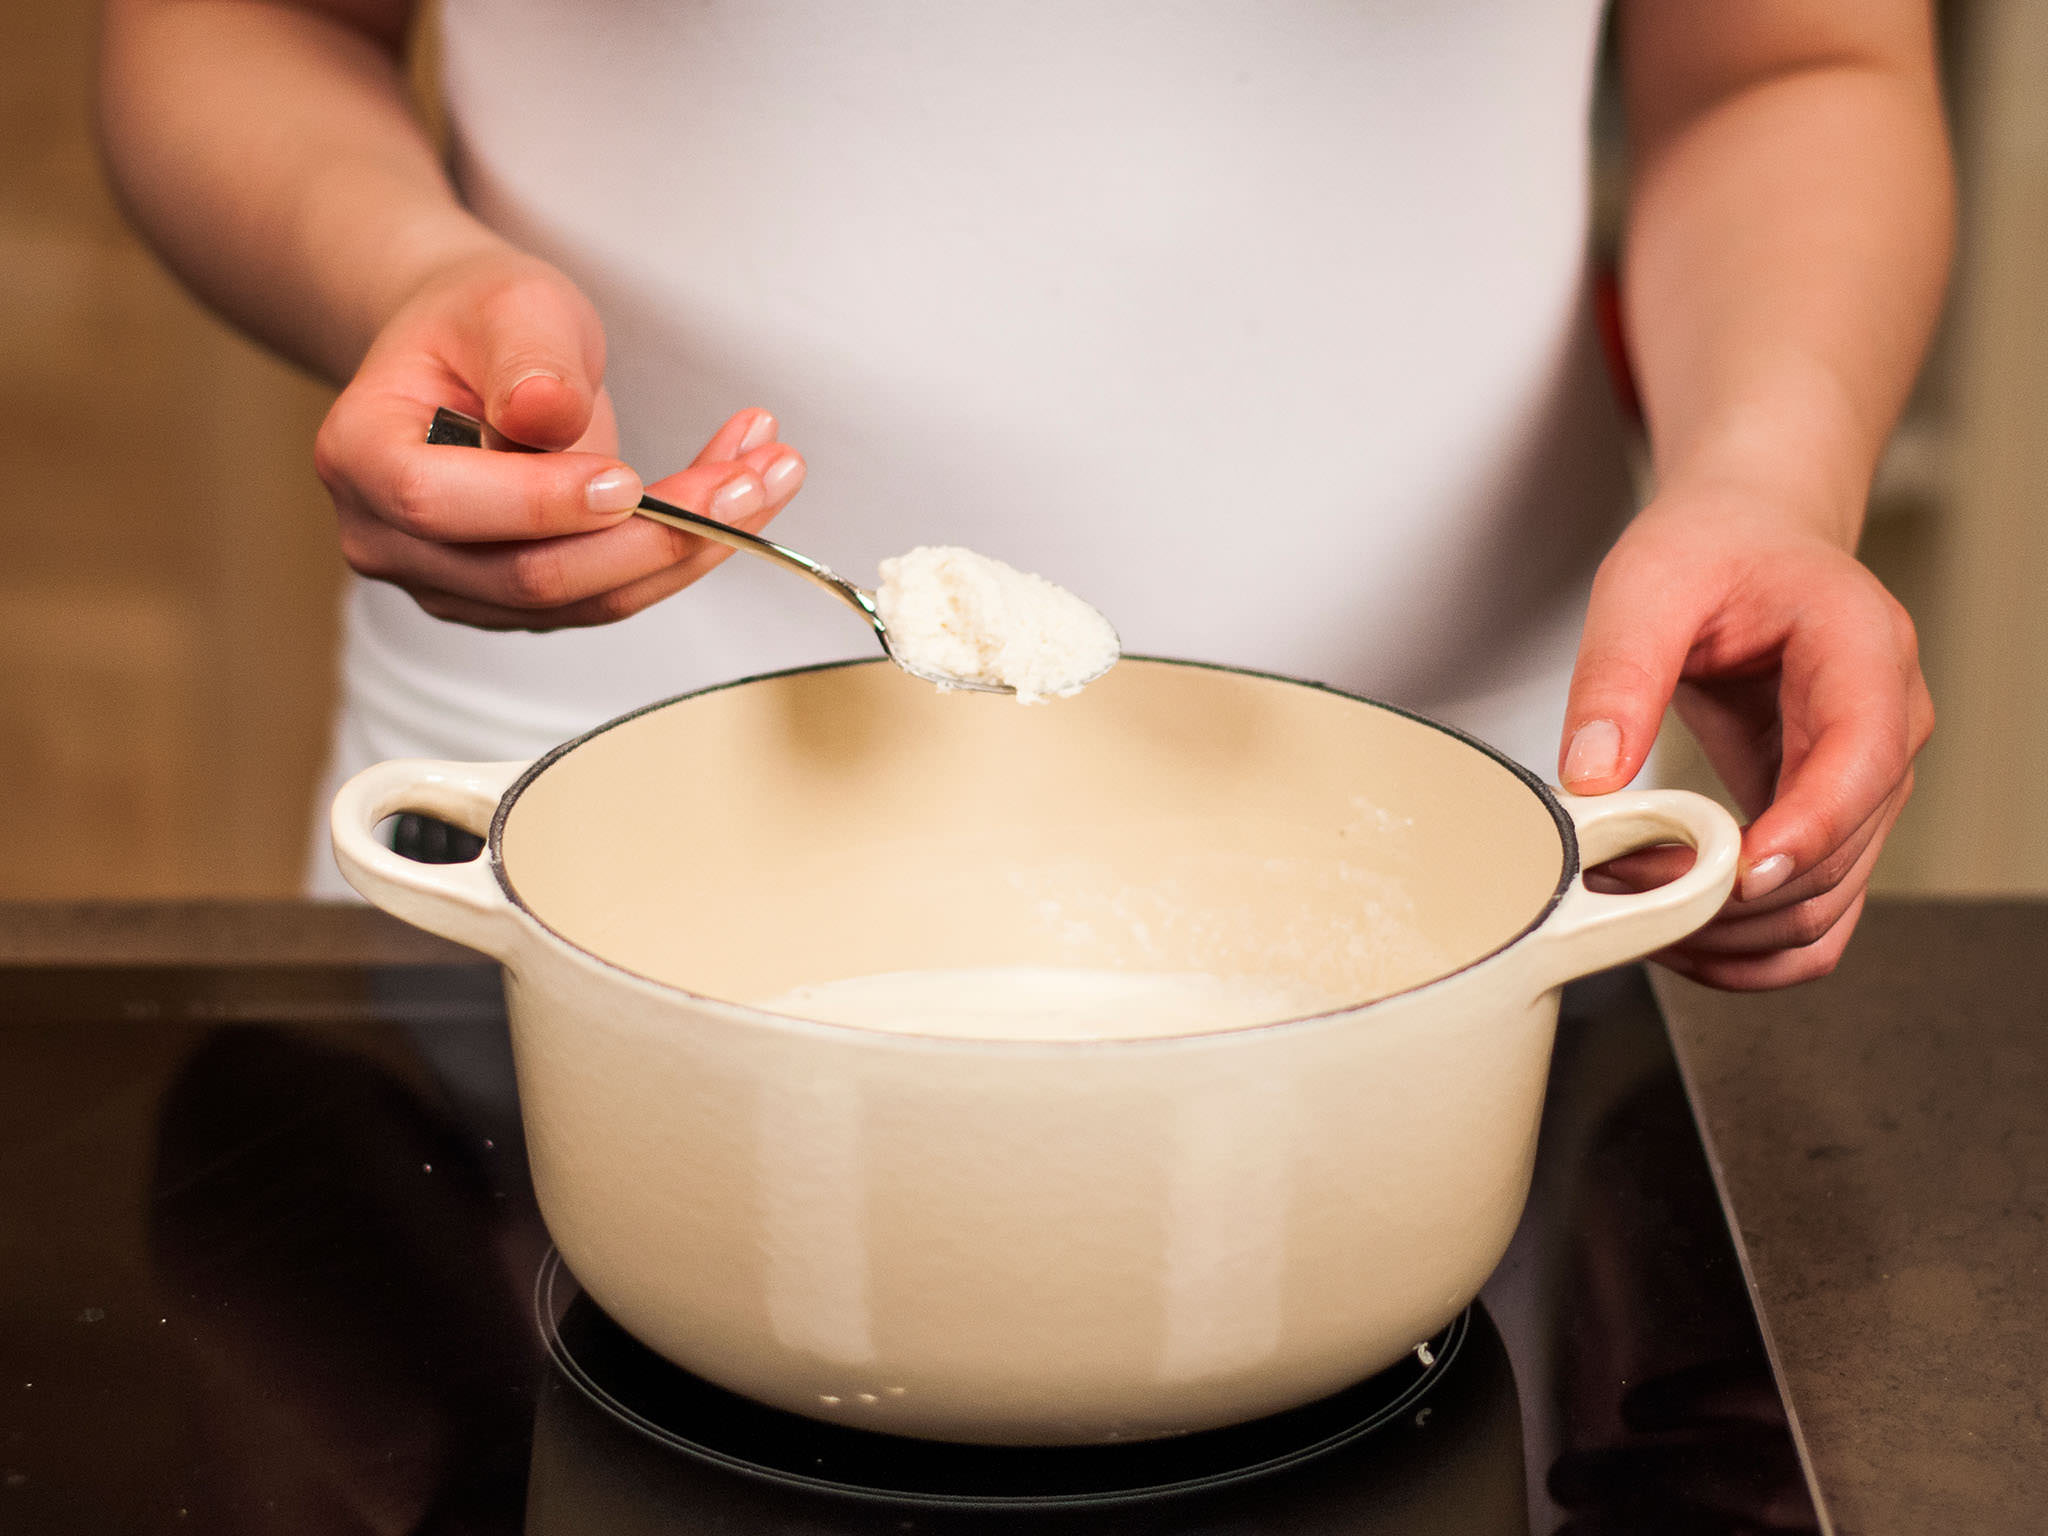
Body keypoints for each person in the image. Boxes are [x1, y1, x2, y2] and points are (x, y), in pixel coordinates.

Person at [98, 0, 1948, 989]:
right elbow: (231, 21)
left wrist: (1768, 472)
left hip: (1463, 858)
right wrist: (399, 274)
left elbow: (1791, 62)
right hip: (548, 845)